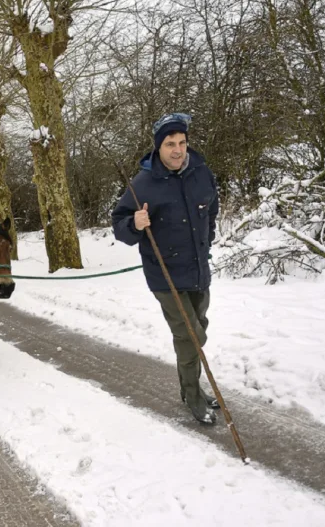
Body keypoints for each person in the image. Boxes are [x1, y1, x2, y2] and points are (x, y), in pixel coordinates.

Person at [111, 113, 221, 424]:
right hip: (165, 275)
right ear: (159, 147)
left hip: (198, 269)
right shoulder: (144, 183)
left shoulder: (201, 172)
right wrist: (134, 223)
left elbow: (211, 207)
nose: (177, 150)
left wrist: (207, 237)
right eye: (170, 144)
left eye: (182, 142)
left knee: (198, 329)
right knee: (190, 335)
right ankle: (193, 395)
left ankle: (190, 389)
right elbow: (119, 223)